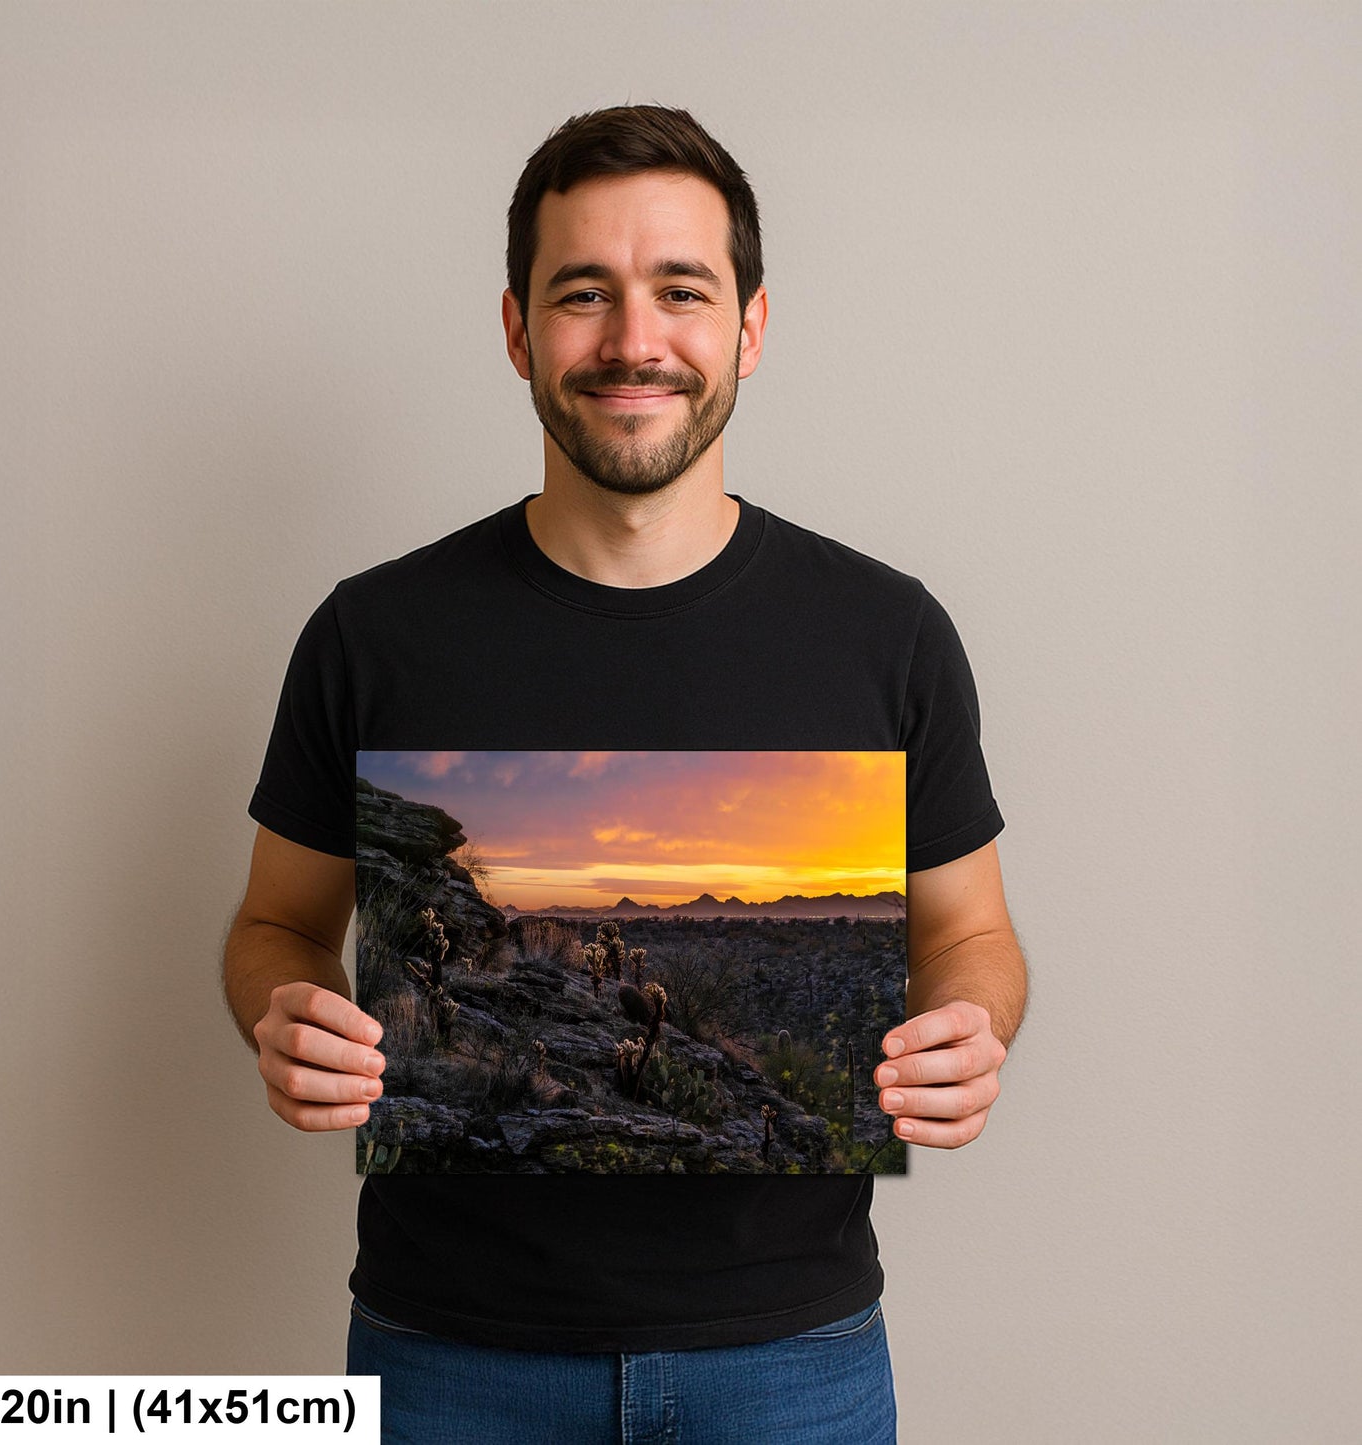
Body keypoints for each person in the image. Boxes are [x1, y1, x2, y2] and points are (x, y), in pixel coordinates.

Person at [223, 104, 1028, 1443]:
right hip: (447, 1357)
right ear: (516, 330)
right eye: (582, 293)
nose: (632, 339)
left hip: (790, 1354)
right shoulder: (375, 633)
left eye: (680, 291)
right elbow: (272, 924)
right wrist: (288, 1010)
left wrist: (969, 1027)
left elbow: (975, 935)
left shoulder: (887, 633)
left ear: (749, 329)